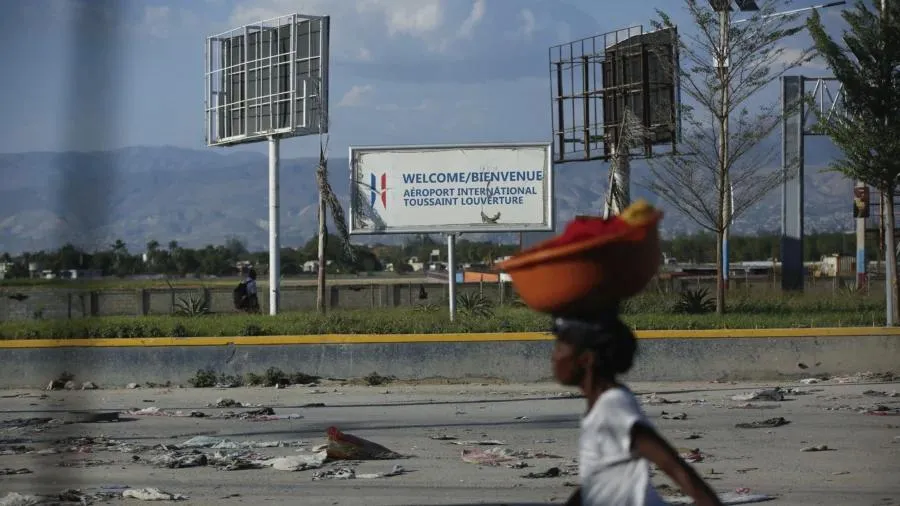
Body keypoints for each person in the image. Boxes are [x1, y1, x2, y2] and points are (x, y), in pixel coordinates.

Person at [554, 307, 723, 506]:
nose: (553, 358)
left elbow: (673, 465)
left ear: (586, 359)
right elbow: (598, 481)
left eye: (559, 349)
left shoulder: (612, 408)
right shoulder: (603, 404)